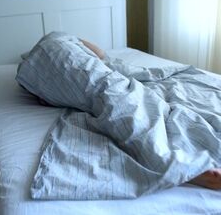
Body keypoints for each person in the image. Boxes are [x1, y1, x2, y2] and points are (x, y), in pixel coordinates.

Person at [80, 38, 221, 190]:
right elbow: (100, 55)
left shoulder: (65, 38)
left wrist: (84, 47)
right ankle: (182, 167)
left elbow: (102, 55)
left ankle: (181, 165)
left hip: (104, 69)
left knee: (129, 98)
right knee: (123, 101)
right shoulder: (58, 41)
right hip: (92, 73)